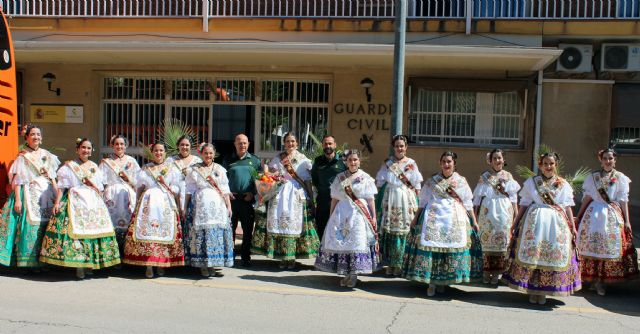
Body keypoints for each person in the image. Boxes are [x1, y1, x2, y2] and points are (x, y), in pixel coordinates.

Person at [502, 152, 581, 305]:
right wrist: (515, 222)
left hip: (556, 224)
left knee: (550, 255)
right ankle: (532, 290)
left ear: (555, 165)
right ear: (540, 165)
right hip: (535, 222)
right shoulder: (532, 182)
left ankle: (545, 291)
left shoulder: (563, 184)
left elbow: (568, 207)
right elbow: (524, 203)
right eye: (545, 164)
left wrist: (572, 226)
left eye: (551, 164)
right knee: (534, 255)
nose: (548, 167)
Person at [403, 151, 483, 297]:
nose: (446, 164)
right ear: (440, 163)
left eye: (449, 161)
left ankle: (444, 281)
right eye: (444, 161)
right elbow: (423, 201)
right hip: (433, 216)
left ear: (454, 163)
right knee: (432, 247)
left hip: (455, 217)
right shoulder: (432, 181)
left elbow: (467, 202)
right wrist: (415, 218)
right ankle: (431, 282)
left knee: (451, 248)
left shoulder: (461, 181)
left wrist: (474, 221)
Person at [40, 138, 121, 278]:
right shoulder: (68, 167)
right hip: (74, 201)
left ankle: (90, 262)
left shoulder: (95, 167)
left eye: (89, 148)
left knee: (93, 232)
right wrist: (58, 203)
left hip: (92, 203)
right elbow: (62, 187)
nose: (86, 150)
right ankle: (79, 265)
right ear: (77, 149)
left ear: (92, 151)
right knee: (76, 233)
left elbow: (99, 188)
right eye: (83, 147)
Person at [252, 132, 320, 269]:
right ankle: (283, 257)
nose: (290, 144)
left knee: (294, 225)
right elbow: (269, 174)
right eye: (288, 141)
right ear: (284, 143)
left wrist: (310, 198)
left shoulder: (303, 159)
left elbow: (307, 180)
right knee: (280, 223)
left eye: (293, 141)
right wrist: (268, 173)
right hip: (280, 194)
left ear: (297, 144)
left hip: (296, 195)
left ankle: (293, 257)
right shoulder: (278, 158)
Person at [576, 148, 638, 296]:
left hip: (611, 214)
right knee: (589, 245)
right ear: (600, 160)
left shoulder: (621, 177)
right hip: (592, 214)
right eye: (605, 158)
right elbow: (587, 197)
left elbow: (623, 200)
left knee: (607, 247)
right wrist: (579, 215)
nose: (608, 161)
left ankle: (600, 282)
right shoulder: (593, 177)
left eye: (610, 158)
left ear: (615, 160)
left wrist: (627, 221)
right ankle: (589, 279)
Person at [315, 149, 378, 288]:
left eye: (355, 160)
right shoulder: (340, 178)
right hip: (342, 212)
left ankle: (354, 275)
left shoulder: (365, 177)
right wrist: (331, 216)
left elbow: (370, 199)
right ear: (346, 162)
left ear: (359, 161)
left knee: (357, 241)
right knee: (342, 241)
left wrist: (374, 217)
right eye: (350, 160)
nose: (353, 162)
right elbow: (335, 199)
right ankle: (346, 273)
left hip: (359, 214)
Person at [0, 125, 60, 268]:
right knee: (30, 227)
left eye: (38, 134)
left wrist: (58, 195)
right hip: (28, 193)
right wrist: (18, 200)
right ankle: (29, 263)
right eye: (32, 134)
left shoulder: (47, 155)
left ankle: (46, 261)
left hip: (46, 193)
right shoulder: (23, 157)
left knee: (47, 226)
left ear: (42, 137)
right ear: (26, 137)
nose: (36, 137)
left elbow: (52, 178)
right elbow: (19, 180)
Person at [123, 142, 185, 278]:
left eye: (161, 150)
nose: (158, 153)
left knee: (163, 232)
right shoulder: (146, 168)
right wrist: (136, 205)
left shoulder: (171, 168)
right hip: (148, 203)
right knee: (148, 232)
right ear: (152, 152)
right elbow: (139, 187)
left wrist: (170, 191)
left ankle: (161, 263)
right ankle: (149, 265)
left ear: (165, 152)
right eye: (156, 150)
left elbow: (177, 188)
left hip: (165, 203)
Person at [375, 135, 422, 276]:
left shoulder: (412, 163)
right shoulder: (387, 163)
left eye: (402, 146)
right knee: (390, 231)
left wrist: (418, 202)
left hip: (406, 199)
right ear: (393, 147)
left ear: (406, 147)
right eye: (397, 146)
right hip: (390, 199)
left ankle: (401, 264)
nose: (399, 148)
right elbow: (379, 183)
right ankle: (390, 264)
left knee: (404, 231)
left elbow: (417, 184)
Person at [184, 143, 234, 277]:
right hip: (200, 206)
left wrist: (228, 206)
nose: (208, 155)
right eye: (206, 153)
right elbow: (189, 190)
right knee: (203, 235)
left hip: (218, 207)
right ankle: (203, 266)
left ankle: (212, 265)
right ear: (201, 154)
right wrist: (185, 207)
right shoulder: (194, 170)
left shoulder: (219, 169)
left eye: (211, 153)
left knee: (215, 234)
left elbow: (225, 189)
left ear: (214, 154)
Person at [472, 149, 520, 285]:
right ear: (490, 161)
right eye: (495, 158)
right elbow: (477, 199)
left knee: (501, 244)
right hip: (487, 212)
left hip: (504, 212)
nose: (497, 161)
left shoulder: (509, 177)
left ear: (503, 160)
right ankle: (487, 272)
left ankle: (497, 274)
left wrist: (516, 217)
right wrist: (474, 217)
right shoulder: (485, 177)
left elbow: (513, 199)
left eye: (499, 158)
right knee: (487, 242)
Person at [222, 133, 261, 267]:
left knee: (247, 231)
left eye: (244, 142)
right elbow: (222, 180)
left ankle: (245, 256)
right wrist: (227, 193)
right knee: (229, 230)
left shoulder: (255, 160)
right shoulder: (228, 159)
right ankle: (229, 256)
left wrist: (253, 193)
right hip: (232, 201)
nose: (242, 145)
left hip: (247, 200)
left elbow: (261, 181)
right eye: (239, 143)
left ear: (248, 144)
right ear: (235, 144)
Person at [100, 134, 141, 256]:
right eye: (116, 144)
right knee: (111, 223)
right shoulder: (106, 162)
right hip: (111, 195)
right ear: (112, 145)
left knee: (128, 223)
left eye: (122, 144)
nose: (119, 146)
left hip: (127, 195)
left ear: (126, 146)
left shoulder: (132, 161)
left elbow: (139, 182)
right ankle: (112, 254)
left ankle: (128, 254)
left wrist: (128, 179)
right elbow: (100, 182)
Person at [311, 135, 346, 241]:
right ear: (322, 145)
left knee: (338, 226)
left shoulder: (343, 161)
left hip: (340, 200)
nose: (328, 146)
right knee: (322, 226)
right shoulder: (318, 161)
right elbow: (315, 179)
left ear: (335, 145)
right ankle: (322, 252)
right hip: (323, 200)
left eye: (330, 143)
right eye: (325, 144)